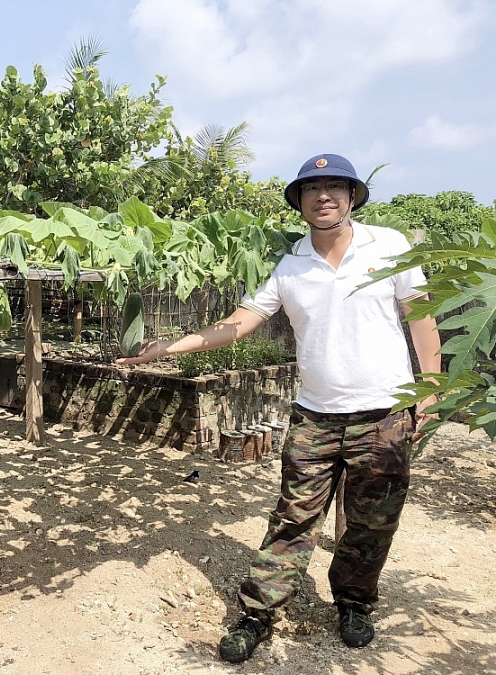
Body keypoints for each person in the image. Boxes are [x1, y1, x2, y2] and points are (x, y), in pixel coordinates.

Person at [116, 154, 441, 663]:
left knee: (372, 521)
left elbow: (419, 316)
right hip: (314, 415)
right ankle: (257, 614)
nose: (324, 195)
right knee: (292, 520)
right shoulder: (290, 267)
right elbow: (238, 323)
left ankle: (354, 604)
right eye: (313, 188)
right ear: (300, 202)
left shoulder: (390, 246)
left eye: (336, 186)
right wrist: (167, 348)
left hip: (385, 414)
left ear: (353, 196)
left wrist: (433, 389)